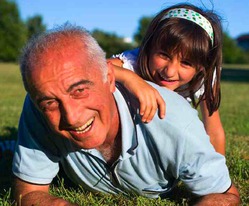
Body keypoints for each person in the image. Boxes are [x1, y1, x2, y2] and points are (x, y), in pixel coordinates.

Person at [12, 23, 240, 205]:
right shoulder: (41, 101)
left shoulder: (176, 121)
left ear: (109, 79)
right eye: (50, 102)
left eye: (80, 90)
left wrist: (213, 171)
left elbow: (224, 190)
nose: (71, 117)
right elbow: (29, 192)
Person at [109, 3, 226, 155]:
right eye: (164, 55)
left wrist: (219, 176)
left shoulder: (205, 77)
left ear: (201, 67)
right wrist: (130, 78)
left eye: (186, 63)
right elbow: (91, 69)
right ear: (149, 47)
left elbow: (214, 131)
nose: (170, 71)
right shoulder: (133, 61)